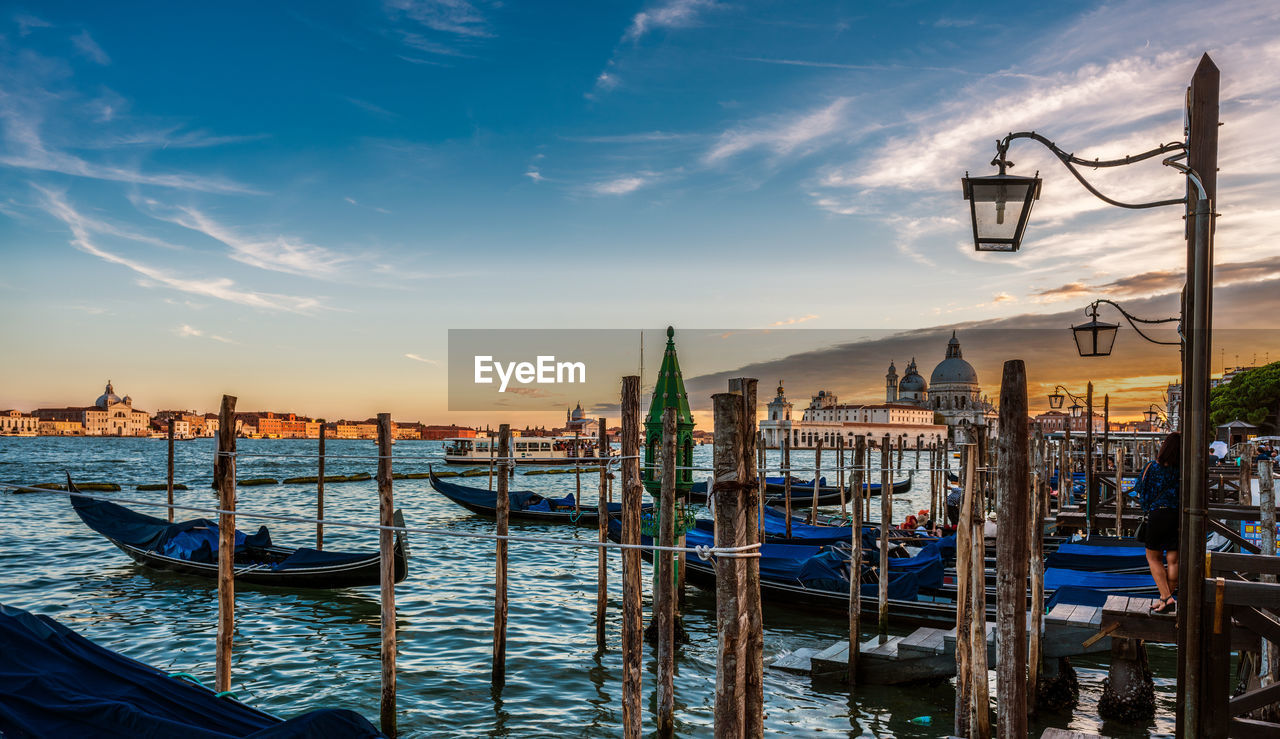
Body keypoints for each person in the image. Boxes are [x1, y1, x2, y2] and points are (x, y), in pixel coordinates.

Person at [1137, 432, 1181, 613]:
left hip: (1157, 515)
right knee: (1173, 560)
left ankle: (1165, 597)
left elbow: (1141, 492)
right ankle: (1167, 599)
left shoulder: (1151, 467)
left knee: (1153, 558)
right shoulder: (1183, 469)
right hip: (1177, 515)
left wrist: (1148, 507)